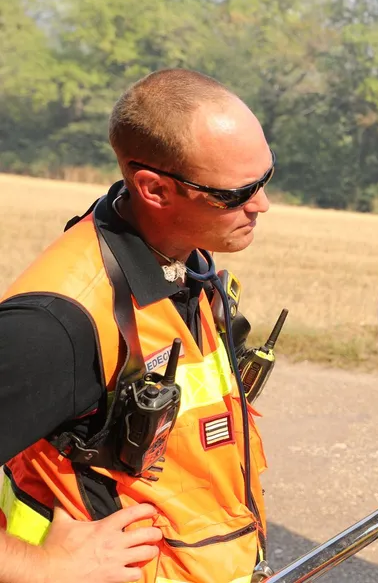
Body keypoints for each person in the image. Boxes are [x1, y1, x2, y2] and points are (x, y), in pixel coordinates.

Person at [0, 69, 275, 582]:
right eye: (237, 193)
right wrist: (40, 568)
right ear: (153, 188)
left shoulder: (186, 264)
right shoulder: (59, 323)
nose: (262, 204)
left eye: (267, 176)